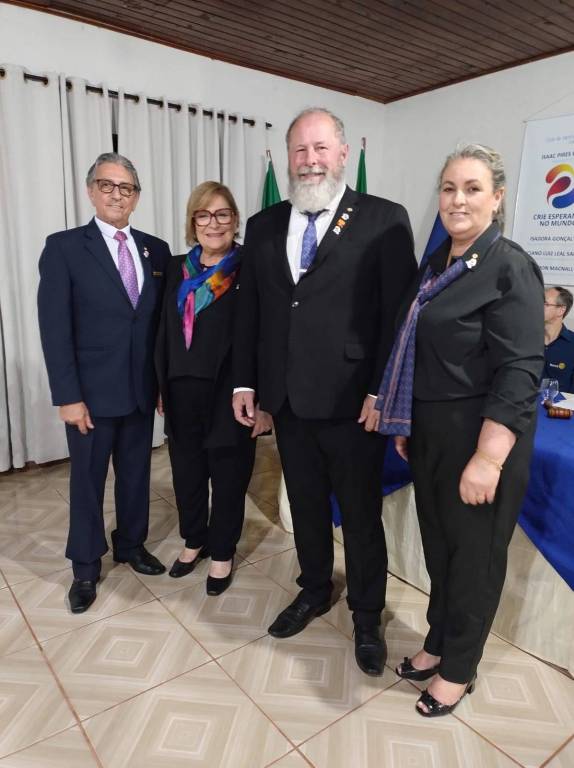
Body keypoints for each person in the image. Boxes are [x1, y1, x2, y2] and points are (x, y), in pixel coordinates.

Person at [232, 108, 416, 676]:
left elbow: (398, 317)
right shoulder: (264, 224)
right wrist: (247, 382)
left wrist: (382, 392)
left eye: (319, 148)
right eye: (299, 150)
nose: (309, 161)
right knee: (306, 505)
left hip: (353, 403)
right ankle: (314, 588)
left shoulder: (384, 219)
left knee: (359, 516)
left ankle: (367, 615)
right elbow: (251, 310)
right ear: (289, 157)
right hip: (287, 400)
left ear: (342, 154)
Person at [377, 144, 544, 716]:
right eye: (449, 188)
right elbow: (421, 351)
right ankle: (439, 640)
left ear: (497, 198)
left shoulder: (510, 266)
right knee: (441, 550)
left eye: (472, 188)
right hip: (431, 432)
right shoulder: (437, 263)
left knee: (474, 559)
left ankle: (460, 668)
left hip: (481, 440)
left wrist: (488, 459)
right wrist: (410, 421)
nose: (457, 200)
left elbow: (520, 371)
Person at [38, 152, 171, 614]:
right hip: (90, 398)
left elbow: (159, 327)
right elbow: (54, 329)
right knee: (88, 483)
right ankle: (85, 566)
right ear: (91, 191)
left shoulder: (156, 250)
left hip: (140, 391)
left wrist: (161, 384)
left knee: (136, 476)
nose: (117, 194)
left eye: (126, 188)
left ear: (137, 196)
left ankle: (131, 545)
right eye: (107, 185)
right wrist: (68, 396)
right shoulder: (64, 248)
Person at [155, 182, 271, 595]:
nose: (213, 223)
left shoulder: (251, 267)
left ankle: (222, 551)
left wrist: (264, 400)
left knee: (228, 477)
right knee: (187, 474)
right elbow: (162, 332)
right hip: (180, 389)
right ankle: (194, 540)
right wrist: (160, 383)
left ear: (235, 220)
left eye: (222, 214)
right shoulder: (176, 269)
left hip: (232, 394)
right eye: (203, 215)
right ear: (193, 222)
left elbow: (266, 337)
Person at [543, 286, 574, 391]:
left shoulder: (572, 345)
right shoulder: (524, 340)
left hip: (561, 402)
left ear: (561, 310)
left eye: (545, 303)